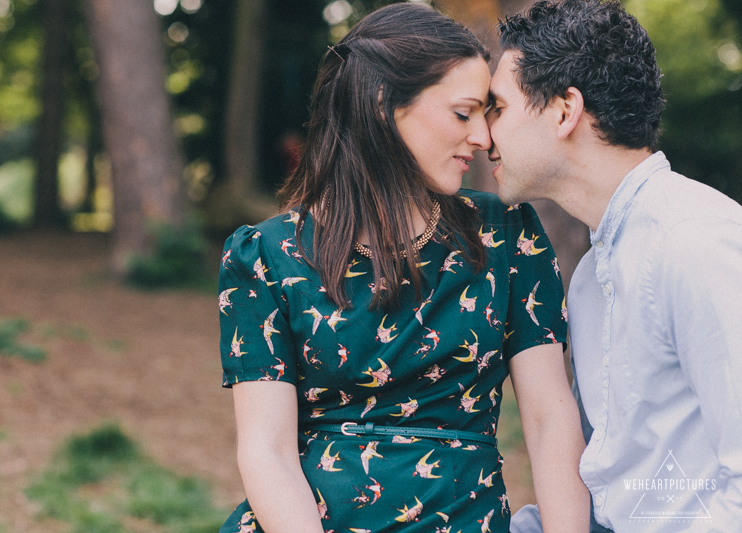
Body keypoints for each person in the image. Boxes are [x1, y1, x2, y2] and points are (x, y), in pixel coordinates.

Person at [217, 3, 589, 532]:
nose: (483, 138)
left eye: (487, 114)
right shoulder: (266, 257)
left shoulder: (506, 234)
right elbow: (266, 451)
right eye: (464, 113)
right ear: (381, 105)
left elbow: (550, 419)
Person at [486, 1, 742, 532]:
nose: (485, 135)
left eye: (498, 108)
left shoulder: (695, 241)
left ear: (564, 111)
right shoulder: (591, 277)